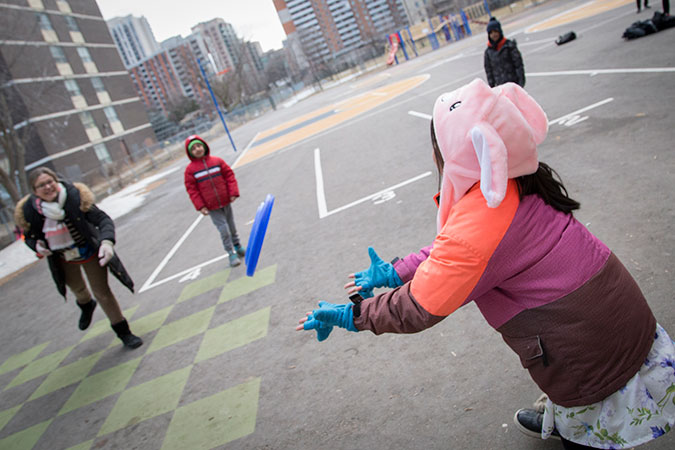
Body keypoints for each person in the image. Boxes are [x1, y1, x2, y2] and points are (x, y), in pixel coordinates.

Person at [297, 79, 674, 449]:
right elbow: (456, 250)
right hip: (616, 316)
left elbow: (421, 304)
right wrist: (395, 272)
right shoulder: (509, 179)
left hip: (587, 352)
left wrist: (356, 315)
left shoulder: (485, 219)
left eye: (438, 146)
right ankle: (561, 416)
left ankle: (575, 427)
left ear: (453, 154)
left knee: (589, 432)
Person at [14, 167, 142, 348]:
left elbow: (103, 219)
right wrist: (35, 245)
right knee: (79, 290)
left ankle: (124, 333)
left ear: (56, 180)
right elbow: (28, 236)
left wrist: (107, 242)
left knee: (103, 293)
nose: (48, 187)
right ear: (34, 191)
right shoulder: (30, 211)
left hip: (88, 250)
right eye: (41, 185)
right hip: (61, 257)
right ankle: (86, 304)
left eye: (50, 181)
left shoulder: (75, 196)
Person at [183, 135, 245, 267]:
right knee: (224, 230)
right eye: (193, 148)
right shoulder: (190, 170)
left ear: (204, 146)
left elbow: (229, 175)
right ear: (190, 153)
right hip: (212, 206)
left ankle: (238, 246)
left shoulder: (217, 161)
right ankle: (231, 252)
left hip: (225, 201)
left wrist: (233, 192)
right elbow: (192, 190)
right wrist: (200, 206)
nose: (198, 149)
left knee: (231, 227)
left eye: (199, 146)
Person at [483, 17, 525, 88]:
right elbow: (489, 71)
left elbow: (518, 65)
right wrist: (492, 86)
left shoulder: (509, 46)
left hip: (513, 84)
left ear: (499, 31)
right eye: (491, 33)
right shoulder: (488, 52)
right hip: (500, 86)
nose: (494, 34)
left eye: (495, 31)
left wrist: (520, 82)